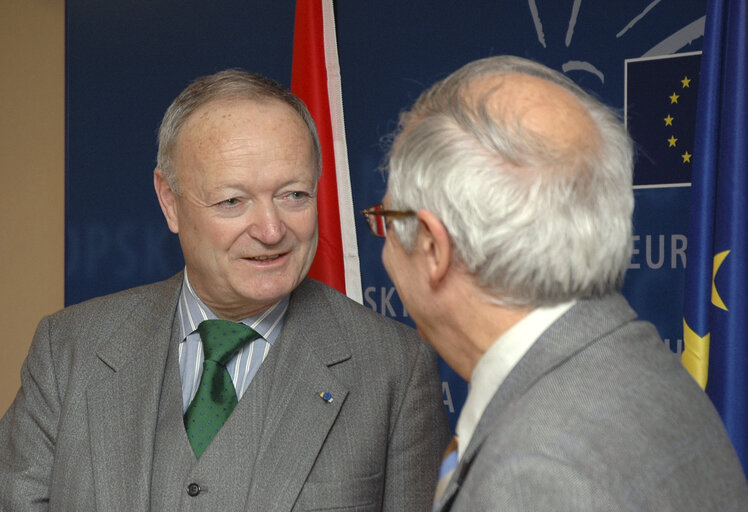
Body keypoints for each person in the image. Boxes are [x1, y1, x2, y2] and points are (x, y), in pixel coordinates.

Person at [0, 70, 450, 511]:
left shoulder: (396, 370)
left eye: (294, 194)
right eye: (232, 201)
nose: (272, 230)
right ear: (169, 202)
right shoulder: (69, 350)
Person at [362, 55, 748, 510]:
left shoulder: (532, 476)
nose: (383, 239)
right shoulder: (637, 360)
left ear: (432, 247)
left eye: (385, 218)